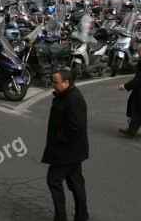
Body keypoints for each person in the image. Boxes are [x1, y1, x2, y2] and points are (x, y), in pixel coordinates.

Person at [42, 68, 89, 221]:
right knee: (76, 185)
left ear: (66, 82)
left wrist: (58, 138)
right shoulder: (65, 95)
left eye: (56, 82)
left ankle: (61, 217)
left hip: (67, 151)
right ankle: (81, 216)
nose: (53, 85)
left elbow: (76, 126)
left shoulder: (73, 99)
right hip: (72, 151)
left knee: (53, 180)